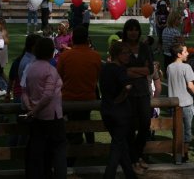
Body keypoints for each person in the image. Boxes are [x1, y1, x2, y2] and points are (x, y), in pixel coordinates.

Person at [21, 38, 67, 179]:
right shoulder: (50, 70)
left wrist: (30, 108)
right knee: (58, 151)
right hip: (52, 116)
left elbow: (24, 91)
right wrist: (34, 110)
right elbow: (47, 95)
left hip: (37, 117)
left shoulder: (30, 67)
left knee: (37, 152)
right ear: (51, 52)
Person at [57, 25, 101, 165]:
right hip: (88, 99)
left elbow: (59, 77)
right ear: (87, 39)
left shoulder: (65, 56)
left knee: (72, 129)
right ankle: (88, 148)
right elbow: (97, 77)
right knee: (84, 123)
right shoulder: (95, 56)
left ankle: (72, 156)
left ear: (73, 39)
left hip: (68, 99)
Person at [100, 41, 137, 179]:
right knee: (117, 146)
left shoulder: (105, 68)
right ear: (117, 55)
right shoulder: (119, 69)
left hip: (106, 111)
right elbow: (127, 87)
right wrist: (121, 98)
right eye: (125, 53)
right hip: (120, 113)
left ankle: (131, 175)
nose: (128, 56)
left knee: (121, 146)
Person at [122, 19, 154, 172]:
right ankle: (135, 159)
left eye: (135, 29)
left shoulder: (144, 47)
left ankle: (136, 156)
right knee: (129, 127)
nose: (133, 32)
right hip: (127, 93)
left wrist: (132, 71)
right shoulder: (121, 47)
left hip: (143, 92)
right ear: (126, 31)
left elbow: (150, 70)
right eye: (130, 29)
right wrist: (140, 70)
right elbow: (122, 71)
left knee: (145, 124)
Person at [167, 44, 194, 162]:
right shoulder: (186, 67)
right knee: (187, 131)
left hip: (173, 104)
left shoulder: (169, 67)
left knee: (177, 131)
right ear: (179, 54)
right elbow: (190, 85)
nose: (187, 53)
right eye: (185, 52)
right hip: (186, 104)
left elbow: (179, 84)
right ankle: (184, 154)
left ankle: (177, 154)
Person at [0, 17, 9, 96]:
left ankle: (4, 88)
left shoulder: (0, 33)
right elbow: (6, 42)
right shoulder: (3, 32)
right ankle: (9, 86)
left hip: (0, 56)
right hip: (2, 55)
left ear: (1, 24)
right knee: (1, 73)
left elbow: (1, 45)